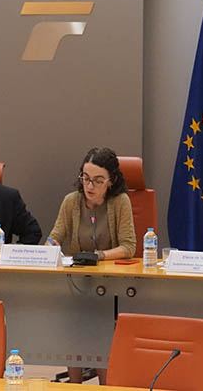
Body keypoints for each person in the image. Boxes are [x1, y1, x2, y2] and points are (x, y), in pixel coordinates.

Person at [47, 147, 136, 384]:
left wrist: (98, 256)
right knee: (72, 322)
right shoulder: (71, 202)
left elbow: (128, 246)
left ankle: (104, 385)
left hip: (112, 286)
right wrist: (48, 247)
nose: (89, 186)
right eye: (85, 178)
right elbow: (55, 236)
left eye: (97, 180)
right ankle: (75, 384)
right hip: (77, 283)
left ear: (111, 180)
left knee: (101, 326)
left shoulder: (120, 202)